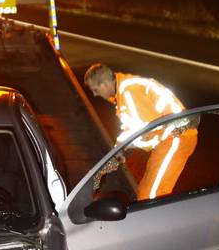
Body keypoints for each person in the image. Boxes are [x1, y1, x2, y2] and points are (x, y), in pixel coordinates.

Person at [83, 63, 197, 201]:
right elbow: (132, 127)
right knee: (144, 193)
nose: (95, 94)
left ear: (105, 84)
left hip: (176, 137)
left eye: (95, 89)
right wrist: (117, 150)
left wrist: (119, 152)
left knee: (151, 196)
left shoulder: (129, 91)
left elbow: (142, 129)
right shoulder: (124, 91)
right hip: (167, 140)